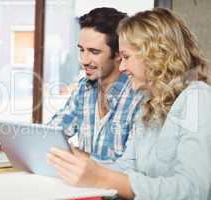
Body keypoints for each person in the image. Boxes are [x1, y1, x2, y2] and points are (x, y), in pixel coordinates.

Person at [47, 8, 211, 200]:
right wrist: (82, 163)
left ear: (156, 55)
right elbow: (126, 167)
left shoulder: (198, 98)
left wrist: (102, 177)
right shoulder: (151, 104)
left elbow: (195, 190)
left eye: (126, 57)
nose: (122, 67)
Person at [0, 7, 143, 161]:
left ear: (118, 54)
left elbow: (130, 169)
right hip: (80, 185)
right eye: (82, 50)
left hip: (112, 187)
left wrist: (73, 156)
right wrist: (12, 140)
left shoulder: (139, 97)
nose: (84, 60)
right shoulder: (85, 88)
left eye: (94, 52)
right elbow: (52, 132)